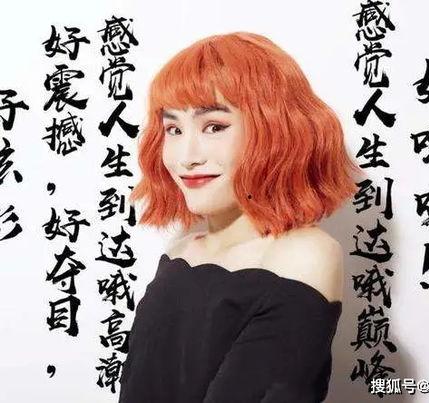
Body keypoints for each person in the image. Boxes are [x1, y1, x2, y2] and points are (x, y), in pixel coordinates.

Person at [119, 31, 361, 403]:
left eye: (214, 127)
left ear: (275, 131)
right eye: (173, 129)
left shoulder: (304, 254)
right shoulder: (180, 254)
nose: (187, 156)